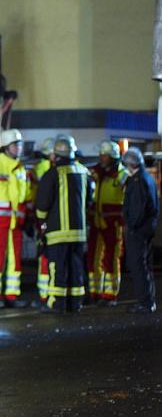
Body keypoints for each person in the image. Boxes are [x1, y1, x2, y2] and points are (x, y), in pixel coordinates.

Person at [34, 134, 93, 313]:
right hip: (79, 233)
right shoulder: (85, 173)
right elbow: (90, 200)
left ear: (56, 155)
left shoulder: (52, 174)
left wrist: (41, 222)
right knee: (76, 267)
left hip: (57, 232)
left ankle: (57, 303)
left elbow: (43, 204)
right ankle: (75, 303)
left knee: (58, 267)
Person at [0, 129, 31, 308]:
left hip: (16, 223)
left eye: (20, 145)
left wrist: (28, 218)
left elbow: (26, 196)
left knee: (16, 259)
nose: (19, 148)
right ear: (6, 147)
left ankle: (12, 294)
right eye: (15, 145)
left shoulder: (21, 168)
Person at [87, 140, 128, 305]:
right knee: (93, 258)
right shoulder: (96, 173)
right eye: (101, 155)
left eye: (104, 155)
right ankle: (94, 292)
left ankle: (110, 294)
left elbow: (129, 199)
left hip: (113, 224)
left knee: (111, 258)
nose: (101, 158)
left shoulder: (122, 174)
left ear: (113, 157)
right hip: (96, 222)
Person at [121, 147, 158, 313]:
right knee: (145, 265)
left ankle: (144, 302)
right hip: (147, 228)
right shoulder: (146, 178)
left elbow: (136, 209)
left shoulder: (137, 181)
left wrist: (131, 226)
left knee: (138, 266)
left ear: (130, 164)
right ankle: (148, 300)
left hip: (139, 230)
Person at [31, 138, 57, 304]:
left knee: (46, 257)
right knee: (48, 258)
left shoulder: (41, 169)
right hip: (50, 219)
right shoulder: (44, 169)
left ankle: (45, 295)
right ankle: (46, 294)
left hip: (45, 218)